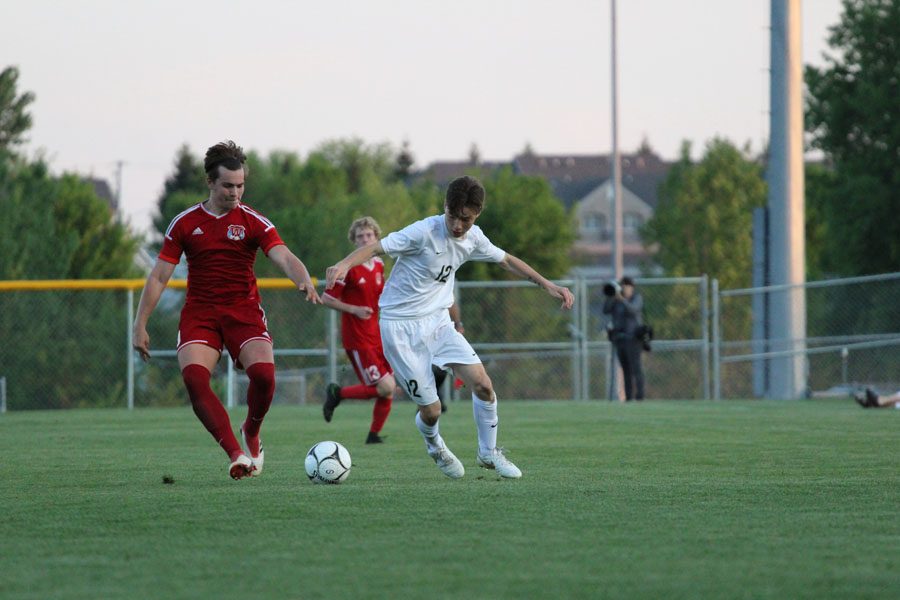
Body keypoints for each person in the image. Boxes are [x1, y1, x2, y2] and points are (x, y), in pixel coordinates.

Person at [326, 175, 574, 479]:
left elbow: (506, 260)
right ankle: (435, 446)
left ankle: (488, 453)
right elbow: (376, 248)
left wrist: (547, 285)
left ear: (476, 216)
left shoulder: (474, 237)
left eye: (466, 220)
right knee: (431, 411)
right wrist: (343, 264)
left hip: (439, 322)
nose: (458, 225)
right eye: (453, 216)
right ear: (445, 207)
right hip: (400, 328)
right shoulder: (422, 232)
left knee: (483, 385)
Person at [132, 140, 322, 480]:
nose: (236, 192)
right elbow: (160, 275)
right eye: (228, 186)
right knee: (194, 377)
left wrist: (302, 278)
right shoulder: (184, 223)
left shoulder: (252, 221)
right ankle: (236, 454)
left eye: (241, 185)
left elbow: (283, 255)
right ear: (210, 182)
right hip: (200, 314)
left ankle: (252, 430)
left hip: (243, 311)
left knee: (264, 376)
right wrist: (140, 324)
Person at [321, 217, 397, 444]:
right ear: (354, 241)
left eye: (369, 235)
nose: (365, 239)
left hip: (377, 335)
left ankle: (373, 435)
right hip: (358, 338)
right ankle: (337, 394)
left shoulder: (379, 265)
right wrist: (353, 309)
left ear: (376, 238)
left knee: (389, 388)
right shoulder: (348, 269)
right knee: (385, 386)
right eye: (360, 236)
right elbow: (326, 298)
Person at [602, 276, 645, 401]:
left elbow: (633, 310)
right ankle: (629, 397)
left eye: (625, 286)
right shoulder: (615, 300)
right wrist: (612, 297)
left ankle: (640, 396)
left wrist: (623, 299)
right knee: (625, 369)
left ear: (631, 287)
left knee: (636, 368)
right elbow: (606, 310)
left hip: (633, 339)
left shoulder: (636, 298)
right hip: (619, 339)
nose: (623, 288)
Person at [431, 302, 464, 413]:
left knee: (443, 366)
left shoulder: (444, 287)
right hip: (418, 327)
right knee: (421, 368)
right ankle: (430, 400)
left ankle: (434, 398)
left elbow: (452, 302)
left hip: (441, 329)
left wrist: (458, 324)